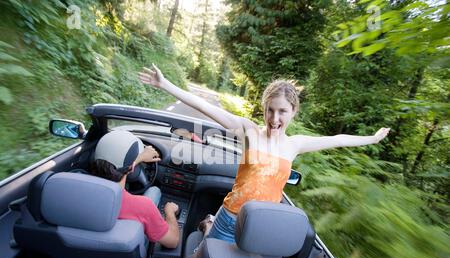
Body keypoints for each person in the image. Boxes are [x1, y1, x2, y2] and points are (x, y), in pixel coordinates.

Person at [138, 64, 390, 245]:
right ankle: (208, 226)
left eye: (282, 112)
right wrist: (165, 84)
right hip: (230, 218)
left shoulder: (296, 144)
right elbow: (203, 106)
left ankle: (208, 224)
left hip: (261, 225)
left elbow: (338, 140)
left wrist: (373, 138)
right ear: (264, 109)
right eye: (270, 110)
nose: (275, 118)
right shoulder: (249, 132)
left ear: (293, 112)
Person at [91, 130, 180, 249]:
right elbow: (173, 241)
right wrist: (169, 212)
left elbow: (116, 167)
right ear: (132, 168)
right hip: (133, 251)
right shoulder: (143, 207)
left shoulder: (75, 191)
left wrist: (138, 159)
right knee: (154, 191)